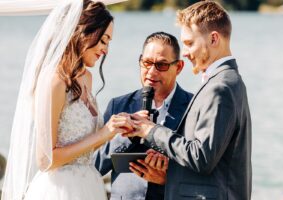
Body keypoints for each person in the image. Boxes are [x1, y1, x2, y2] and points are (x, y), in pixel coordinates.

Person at [1, 1, 132, 200]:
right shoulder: (54, 81)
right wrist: (103, 133)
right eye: (103, 40)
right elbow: (46, 159)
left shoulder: (87, 78)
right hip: (60, 190)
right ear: (84, 33)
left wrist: (115, 130)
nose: (105, 50)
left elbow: (84, 146)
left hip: (89, 185)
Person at [126, 1, 252, 200]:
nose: (184, 52)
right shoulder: (227, 81)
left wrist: (150, 130)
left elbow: (201, 157)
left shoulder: (220, 87)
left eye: (189, 43)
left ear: (213, 39)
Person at [95, 32, 193, 200]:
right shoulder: (117, 105)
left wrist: (168, 179)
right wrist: (124, 136)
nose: (151, 72)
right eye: (147, 63)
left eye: (161, 65)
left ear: (179, 67)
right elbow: (94, 167)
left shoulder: (195, 107)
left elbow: (206, 171)